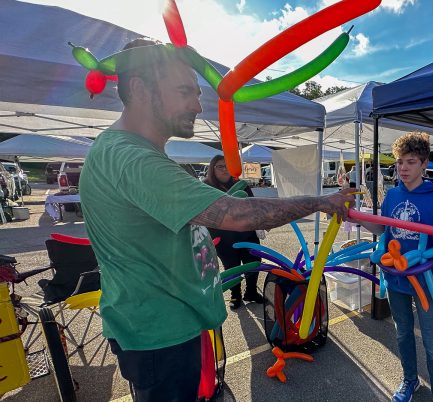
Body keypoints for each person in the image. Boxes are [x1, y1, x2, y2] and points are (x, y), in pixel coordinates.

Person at [78, 38, 355, 401]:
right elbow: (236, 216)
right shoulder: (130, 157)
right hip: (160, 337)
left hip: (172, 327)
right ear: (139, 88)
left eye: (197, 92)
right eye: (184, 92)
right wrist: (320, 201)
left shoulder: (135, 153)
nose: (198, 104)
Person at [353, 132, 433, 402]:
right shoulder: (392, 195)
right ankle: (410, 381)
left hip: (425, 281)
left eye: (410, 162)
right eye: (400, 162)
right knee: (403, 334)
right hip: (395, 276)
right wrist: (357, 218)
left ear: (424, 163)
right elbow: (383, 229)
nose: (403, 168)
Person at [202, 155, 263, 309]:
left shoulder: (240, 184)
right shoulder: (206, 186)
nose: (224, 170)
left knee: (253, 264)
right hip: (223, 238)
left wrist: (259, 224)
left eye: (227, 166)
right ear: (212, 168)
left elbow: (253, 205)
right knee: (231, 268)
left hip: (247, 234)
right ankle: (235, 295)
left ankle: (251, 292)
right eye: (220, 167)